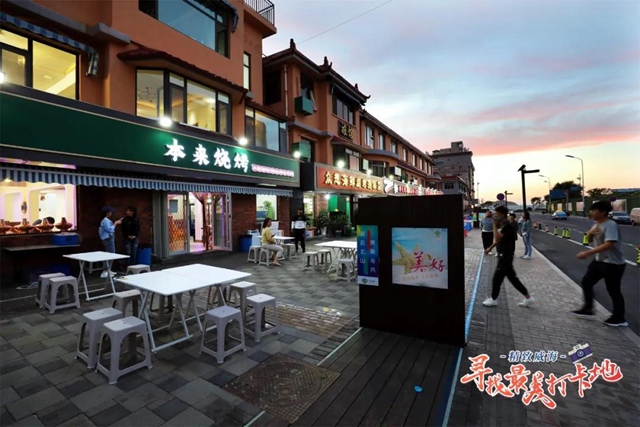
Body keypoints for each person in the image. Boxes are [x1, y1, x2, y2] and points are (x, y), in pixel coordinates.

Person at [572, 201, 628, 327]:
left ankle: (619, 318)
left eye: (594, 210)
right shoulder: (596, 224)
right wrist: (590, 233)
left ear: (603, 212)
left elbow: (609, 244)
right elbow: (589, 239)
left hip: (613, 263)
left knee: (613, 290)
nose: (591, 212)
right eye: (591, 210)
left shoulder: (610, 225)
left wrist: (587, 253)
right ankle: (588, 308)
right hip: (600, 261)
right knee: (586, 281)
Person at [483, 206, 534, 307]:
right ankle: (528, 298)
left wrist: (494, 225)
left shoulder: (507, 226)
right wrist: (490, 248)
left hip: (505, 256)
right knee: (513, 279)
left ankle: (493, 299)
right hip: (505, 256)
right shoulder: (504, 225)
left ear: (502, 214)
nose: (495, 215)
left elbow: (497, 237)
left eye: (496, 213)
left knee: (497, 279)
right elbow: (499, 240)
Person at [99, 206, 122, 278]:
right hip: (108, 238)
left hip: (109, 238)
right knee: (110, 254)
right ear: (107, 213)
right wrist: (115, 223)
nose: (111, 213)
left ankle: (108, 269)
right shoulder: (105, 221)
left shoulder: (106, 220)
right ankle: (105, 271)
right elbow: (109, 230)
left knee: (111, 254)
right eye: (110, 212)